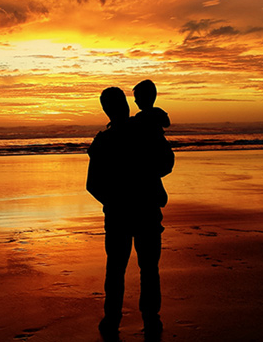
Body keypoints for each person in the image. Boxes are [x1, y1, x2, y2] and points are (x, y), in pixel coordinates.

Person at [87, 83, 172, 341]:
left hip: (120, 215)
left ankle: (113, 318)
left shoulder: (104, 140)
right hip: (144, 210)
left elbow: (93, 185)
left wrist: (113, 201)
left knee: (117, 269)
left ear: (106, 110)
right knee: (147, 268)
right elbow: (166, 164)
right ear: (121, 106)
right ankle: (149, 318)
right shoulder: (144, 130)